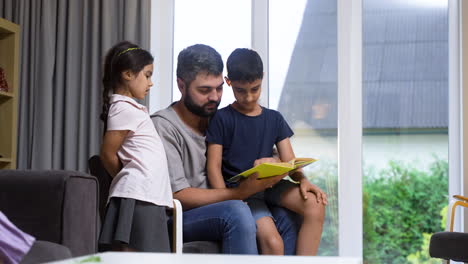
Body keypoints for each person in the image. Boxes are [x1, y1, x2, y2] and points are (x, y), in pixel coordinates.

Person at [152, 44, 300, 254]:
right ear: (181, 85)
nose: (215, 97)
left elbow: (262, 150)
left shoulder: (220, 119)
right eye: (204, 90)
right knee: (237, 211)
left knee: (286, 216)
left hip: (227, 202)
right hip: (182, 216)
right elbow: (179, 194)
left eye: (219, 88)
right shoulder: (163, 126)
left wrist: (274, 163)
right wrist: (236, 193)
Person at [206, 48, 328, 255]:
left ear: (262, 78)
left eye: (255, 89)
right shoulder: (221, 118)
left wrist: (304, 180)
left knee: (315, 204)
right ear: (228, 82)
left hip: (272, 185)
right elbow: (214, 167)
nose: (248, 97)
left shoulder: (274, 118)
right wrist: (228, 200)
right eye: (240, 90)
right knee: (273, 243)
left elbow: (290, 162)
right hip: (245, 191)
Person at [98, 41, 173, 252]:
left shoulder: (132, 109)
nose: (151, 83)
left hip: (146, 195)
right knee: (137, 255)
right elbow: (107, 153)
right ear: (128, 74)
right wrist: (126, 177)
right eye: (147, 75)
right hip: (139, 194)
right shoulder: (123, 108)